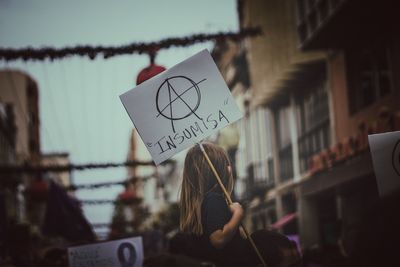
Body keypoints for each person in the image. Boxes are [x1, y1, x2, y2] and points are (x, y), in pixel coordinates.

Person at [176, 142, 301, 267]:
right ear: (215, 171)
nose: (229, 168)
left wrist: (237, 231)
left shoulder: (203, 203)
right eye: (225, 164)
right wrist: (238, 214)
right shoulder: (213, 199)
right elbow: (218, 239)